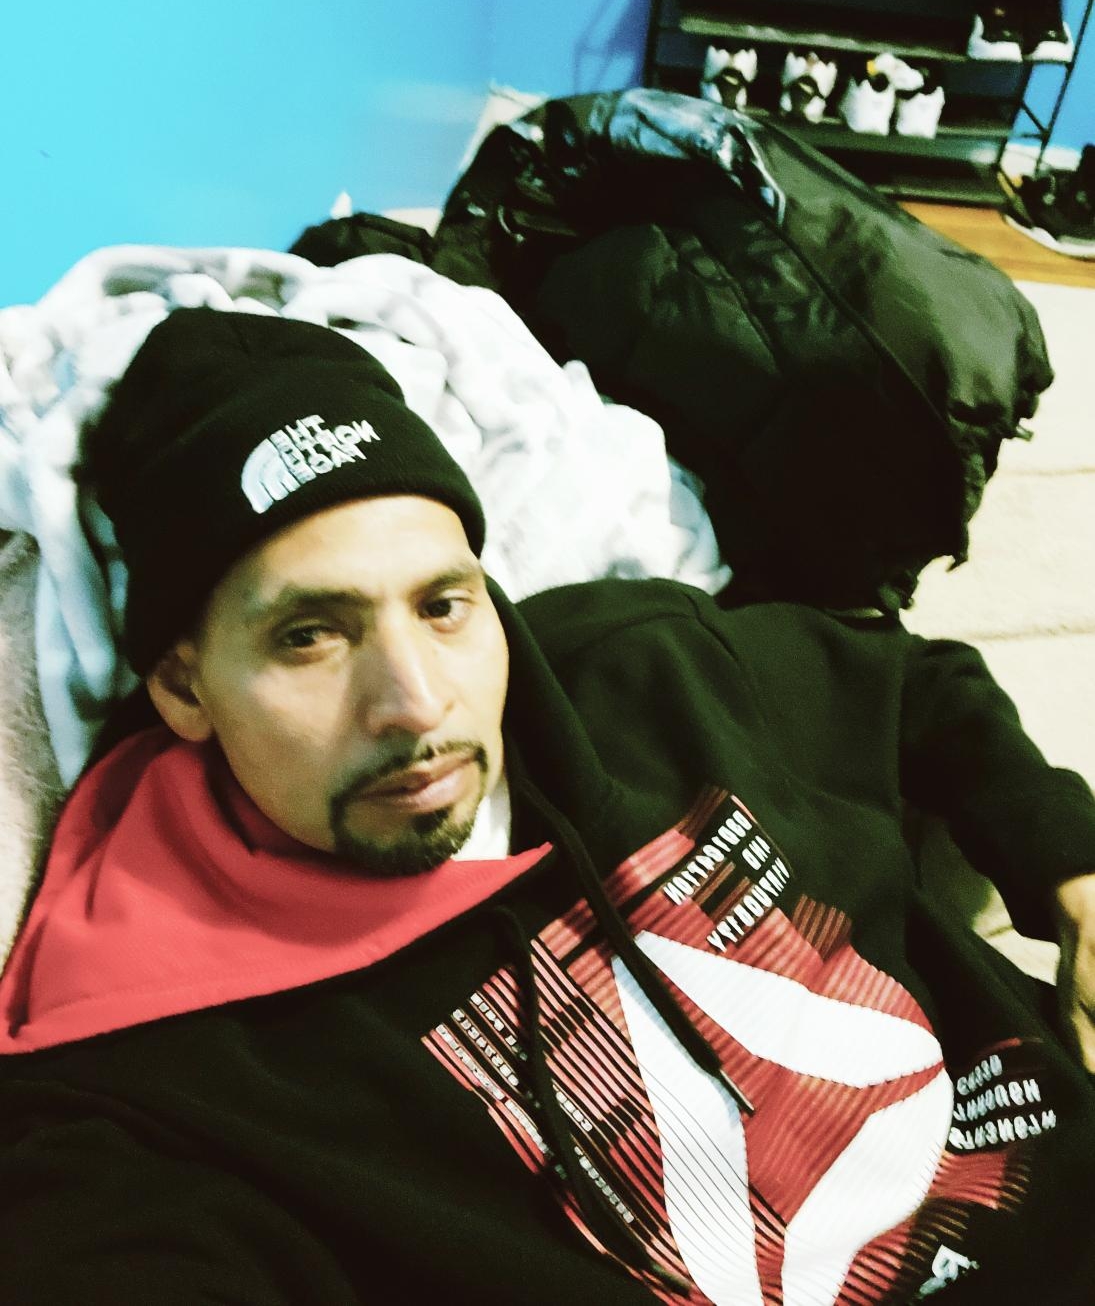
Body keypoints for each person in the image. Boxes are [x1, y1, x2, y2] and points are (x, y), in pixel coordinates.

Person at [1, 306, 1094, 1306]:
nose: (416, 701)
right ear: (184, 686)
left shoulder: (639, 665)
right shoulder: (147, 1072)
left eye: (442, 605)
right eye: (309, 635)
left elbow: (913, 684)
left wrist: (1075, 874)